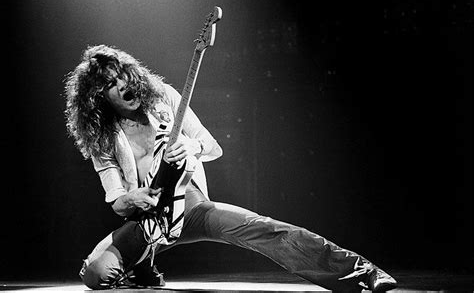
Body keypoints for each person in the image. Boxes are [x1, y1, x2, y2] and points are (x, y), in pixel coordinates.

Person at [64, 44, 397, 292]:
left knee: (267, 230)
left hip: (191, 208)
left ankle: (362, 273)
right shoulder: (102, 137)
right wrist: (131, 198)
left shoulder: (164, 98)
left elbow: (212, 147)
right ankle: (139, 267)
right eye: (110, 83)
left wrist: (189, 147)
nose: (123, 85)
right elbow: (116, 200)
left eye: (123, 75)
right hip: (149, 220)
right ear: (98, 98)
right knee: (97, 274)